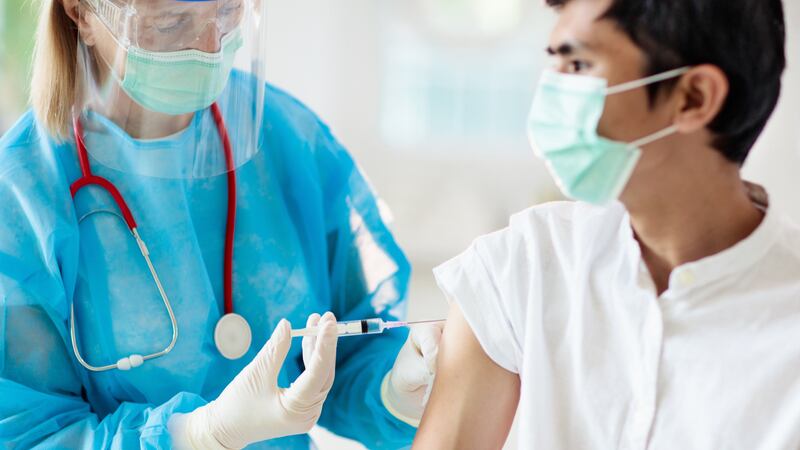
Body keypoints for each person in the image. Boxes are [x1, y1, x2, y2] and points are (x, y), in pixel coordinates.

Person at [0, 0, 442, 448]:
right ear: (81, 13)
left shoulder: (287, 137)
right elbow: (27, 435)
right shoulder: (21, 195)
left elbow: (348, 355)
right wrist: (195, 435)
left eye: (228, 11)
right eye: (171, 23)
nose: (211, 47)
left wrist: (394, 390)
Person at [415, 0, 800, 448]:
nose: (550, 95)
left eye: (579, 65)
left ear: (693, 97)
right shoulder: (522, 266)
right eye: (554, 63)